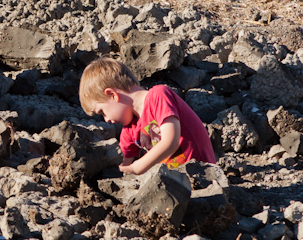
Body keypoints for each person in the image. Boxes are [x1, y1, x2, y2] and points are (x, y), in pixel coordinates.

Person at [79, 57, 217, 174]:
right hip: (175, 186)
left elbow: (170, 142)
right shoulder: (129, 130)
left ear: (112, 95)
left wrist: (136, 168)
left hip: (203, 176)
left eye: (102, 112)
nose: (106, 119)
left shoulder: (159, 96)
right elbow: (120, 167)